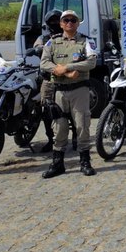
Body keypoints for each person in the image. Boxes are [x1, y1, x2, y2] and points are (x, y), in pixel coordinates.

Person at [40, 10, 98, 178]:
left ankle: (85, 162)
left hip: (79, 89)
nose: (70, 23)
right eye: (66, 20)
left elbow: (91, 62)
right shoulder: (52, 42)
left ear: (78, 23)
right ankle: (57, 164)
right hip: (59, 90)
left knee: (82, 126)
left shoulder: (87, 41)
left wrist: (68, 67)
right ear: (61, 23)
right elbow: (44, 63)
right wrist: (62, 72)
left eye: (73, 20)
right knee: (59, 128)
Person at [33, 9, 63, 152]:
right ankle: (51, 139)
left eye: (58, 20)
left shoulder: (69, 36)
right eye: (52, 21)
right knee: (46, 111)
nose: (55, 23)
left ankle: (75, 136)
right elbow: (37, 47)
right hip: (48, 79)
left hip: (66, 79)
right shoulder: (43, 38)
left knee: (69, 110)